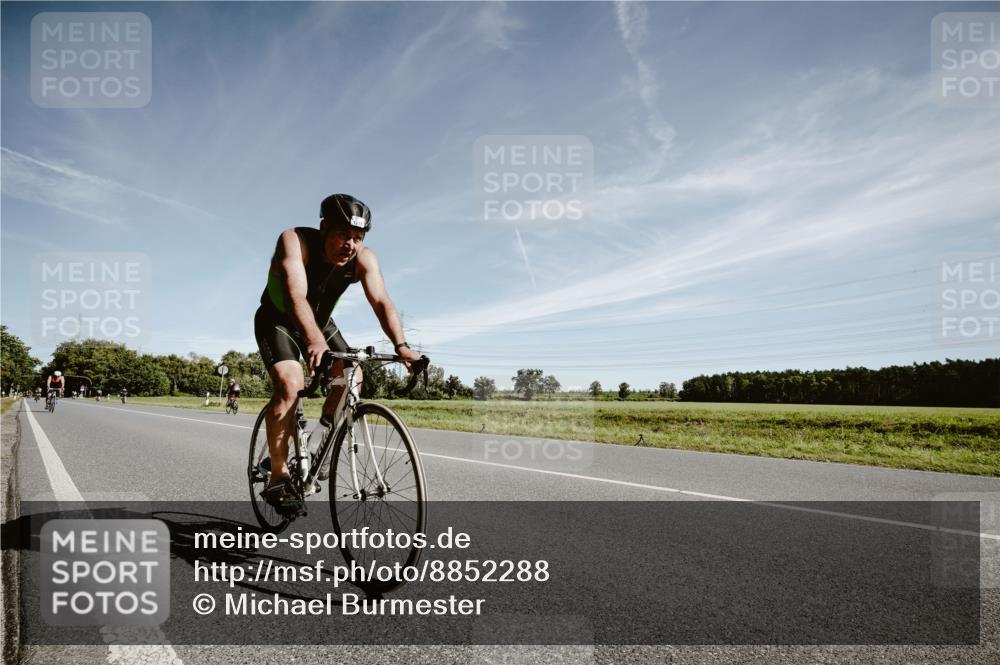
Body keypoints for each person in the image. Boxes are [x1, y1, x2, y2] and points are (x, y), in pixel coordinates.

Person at [254, 194, 421, 510]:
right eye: (343, 234)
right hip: (278, 318)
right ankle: (278, 476)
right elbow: (294, 297)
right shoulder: (295, 241)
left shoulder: (364, 259)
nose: (351, 244)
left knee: (352, 375)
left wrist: (402, 346)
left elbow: (382, 302)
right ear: (323, 228)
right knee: (290, 383)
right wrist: (314, 342)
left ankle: (317, 444)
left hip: (319, 321)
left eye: (358, 238)